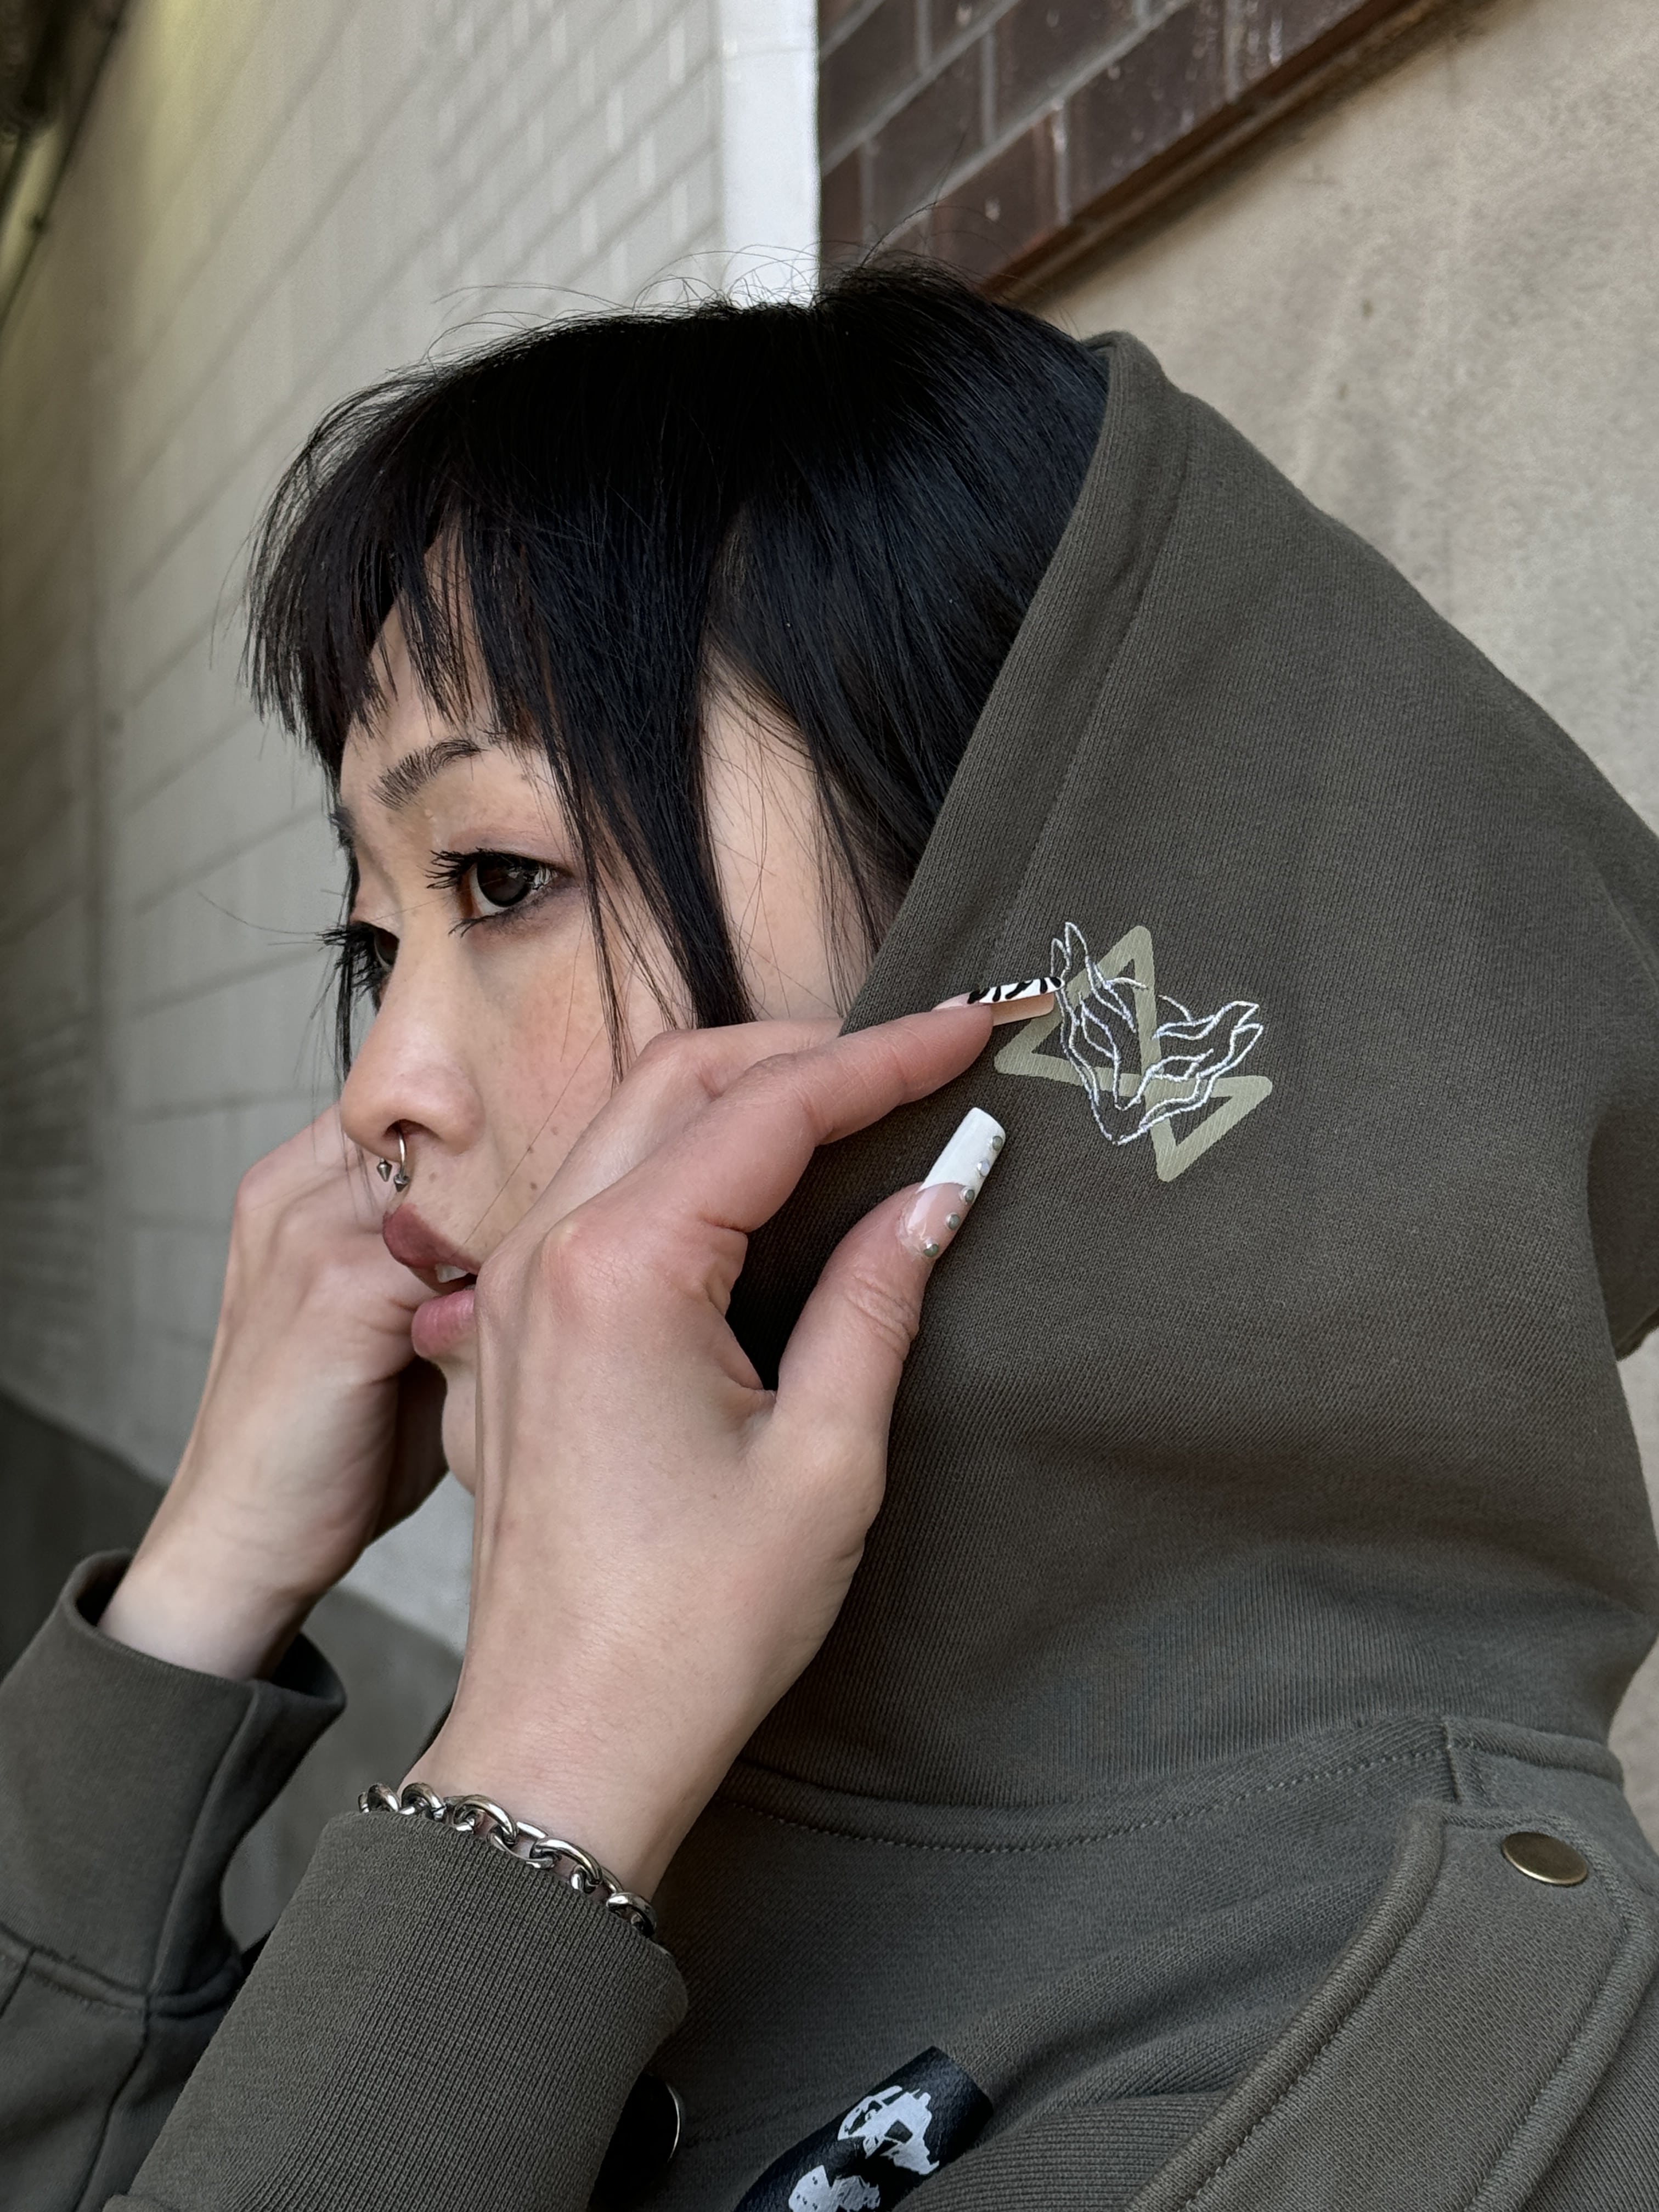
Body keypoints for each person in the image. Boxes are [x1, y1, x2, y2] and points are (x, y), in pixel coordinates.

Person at [2, 262, 1657, 2212]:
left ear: (1016, 933)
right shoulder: (682, 1724)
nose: (378, 1090)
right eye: (377, 939)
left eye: (502, 878)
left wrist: (534, 1784)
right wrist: (200, 1599)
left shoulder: (1402, 2084)